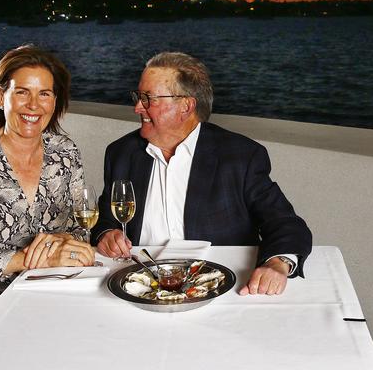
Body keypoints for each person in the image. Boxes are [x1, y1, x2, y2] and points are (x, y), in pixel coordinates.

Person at [92, 52, 312, 295]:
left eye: (148, 98)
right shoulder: (121, 153)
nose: (137, 107)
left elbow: (285, 223)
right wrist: (106, 234)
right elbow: (107, 219)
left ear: (186, 105)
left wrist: (276, 263)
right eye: (138, 96)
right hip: (140, 288)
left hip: (221, 288)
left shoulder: (240, 156)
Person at [0, 45, 95, 343]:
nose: (34, 105)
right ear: (1, 96)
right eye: (22, 92)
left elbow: (80, 229)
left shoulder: (66, 153)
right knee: (33, 341)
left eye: (45, 94)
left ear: (56, 101)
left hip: (56, 287)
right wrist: (34, 259)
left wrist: (66, 241)